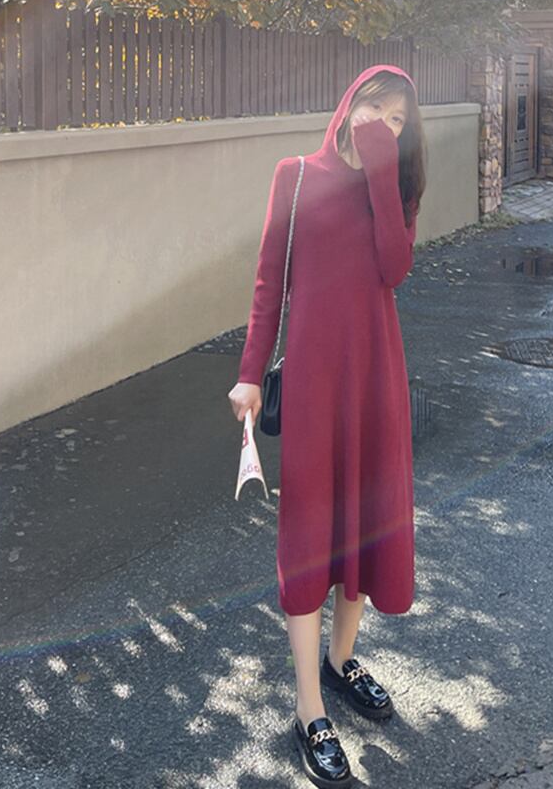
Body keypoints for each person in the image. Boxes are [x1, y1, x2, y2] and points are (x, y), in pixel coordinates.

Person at [227, 63, 427, 788]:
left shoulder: (396, 186)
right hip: (314, 385)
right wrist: (250, 373)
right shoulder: (296, 176)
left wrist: (382, 173)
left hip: (376, 382)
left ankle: (342, 663)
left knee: (364, 526)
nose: (385, 125)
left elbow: (394, 269)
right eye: (377, 109)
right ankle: (309, 708)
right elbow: (268, 282)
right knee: (312, 535)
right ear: (349, 103)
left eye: (399, 121)